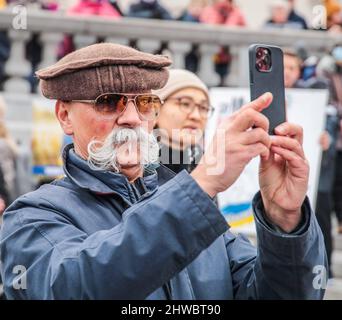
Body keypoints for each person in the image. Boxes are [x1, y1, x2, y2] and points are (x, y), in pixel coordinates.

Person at [0, 43, 327, 300]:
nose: (131, 118)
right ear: (65, 116)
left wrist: (284, 219)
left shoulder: (197, 213)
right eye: (108, 101)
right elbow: (76, 288)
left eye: (143, 103)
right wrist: (205, 181)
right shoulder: (31, 217)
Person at [283, 49, 339, 277]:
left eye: (291, 68)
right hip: (278, 173)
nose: (286, 73)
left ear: (299, 72)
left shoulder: (313, 98)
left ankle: (323, 267)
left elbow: (329, 124)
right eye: (282, 67)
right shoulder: (259, 97)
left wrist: (327, 137)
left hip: (315, 171)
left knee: (321, 218)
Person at [153, 69, 210, 174]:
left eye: (203, 107)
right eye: (185, 104)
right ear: (155, 109)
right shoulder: (134, 167)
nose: (196, 116)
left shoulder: (207, 164)